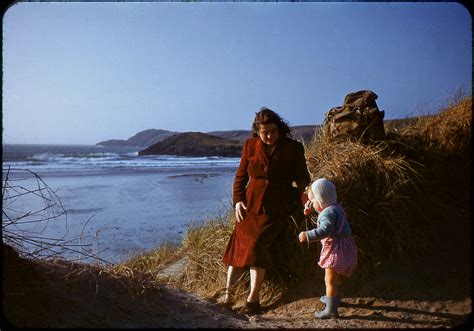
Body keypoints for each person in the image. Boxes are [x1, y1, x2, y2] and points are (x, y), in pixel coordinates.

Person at [222, 107, 311, 315]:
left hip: (278, 205)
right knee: (238, 242)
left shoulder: (293, 148)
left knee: (258, 244)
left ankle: (253, 300)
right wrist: (237, 201)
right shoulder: (250, 146)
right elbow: (241, 177)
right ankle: (227, 294)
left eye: (272, 131)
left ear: (279, 128)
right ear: (257, 132)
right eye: (265, 132)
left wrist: (308, 200)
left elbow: (302, 179)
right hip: (250, 204)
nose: (269, 136)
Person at [298, 178, 358, 319]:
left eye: (313, 201)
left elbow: (325, 229)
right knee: (336, 279)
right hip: (345, 247)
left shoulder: (327, 213)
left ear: (321, 200)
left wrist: (307, 235)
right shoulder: (335, 206)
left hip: (335, 250)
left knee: (329, 280)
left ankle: (330, 310)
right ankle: (333, 299)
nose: (311, 204)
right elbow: (325, 211)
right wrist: (311, 209)